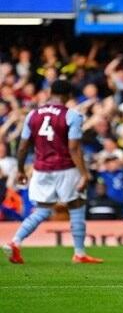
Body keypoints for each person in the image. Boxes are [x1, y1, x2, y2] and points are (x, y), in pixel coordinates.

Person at [2, 80, 103, 264]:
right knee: (77, 206)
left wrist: (20, 170)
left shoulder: (33, 114)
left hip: (41, 169)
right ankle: (79, 253)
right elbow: (74, 148)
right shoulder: (72, 115)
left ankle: (15, 241)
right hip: (66, 168)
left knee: (42, 210)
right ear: (69, 96)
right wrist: (84, 174)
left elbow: (23, 146)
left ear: (50, 93)